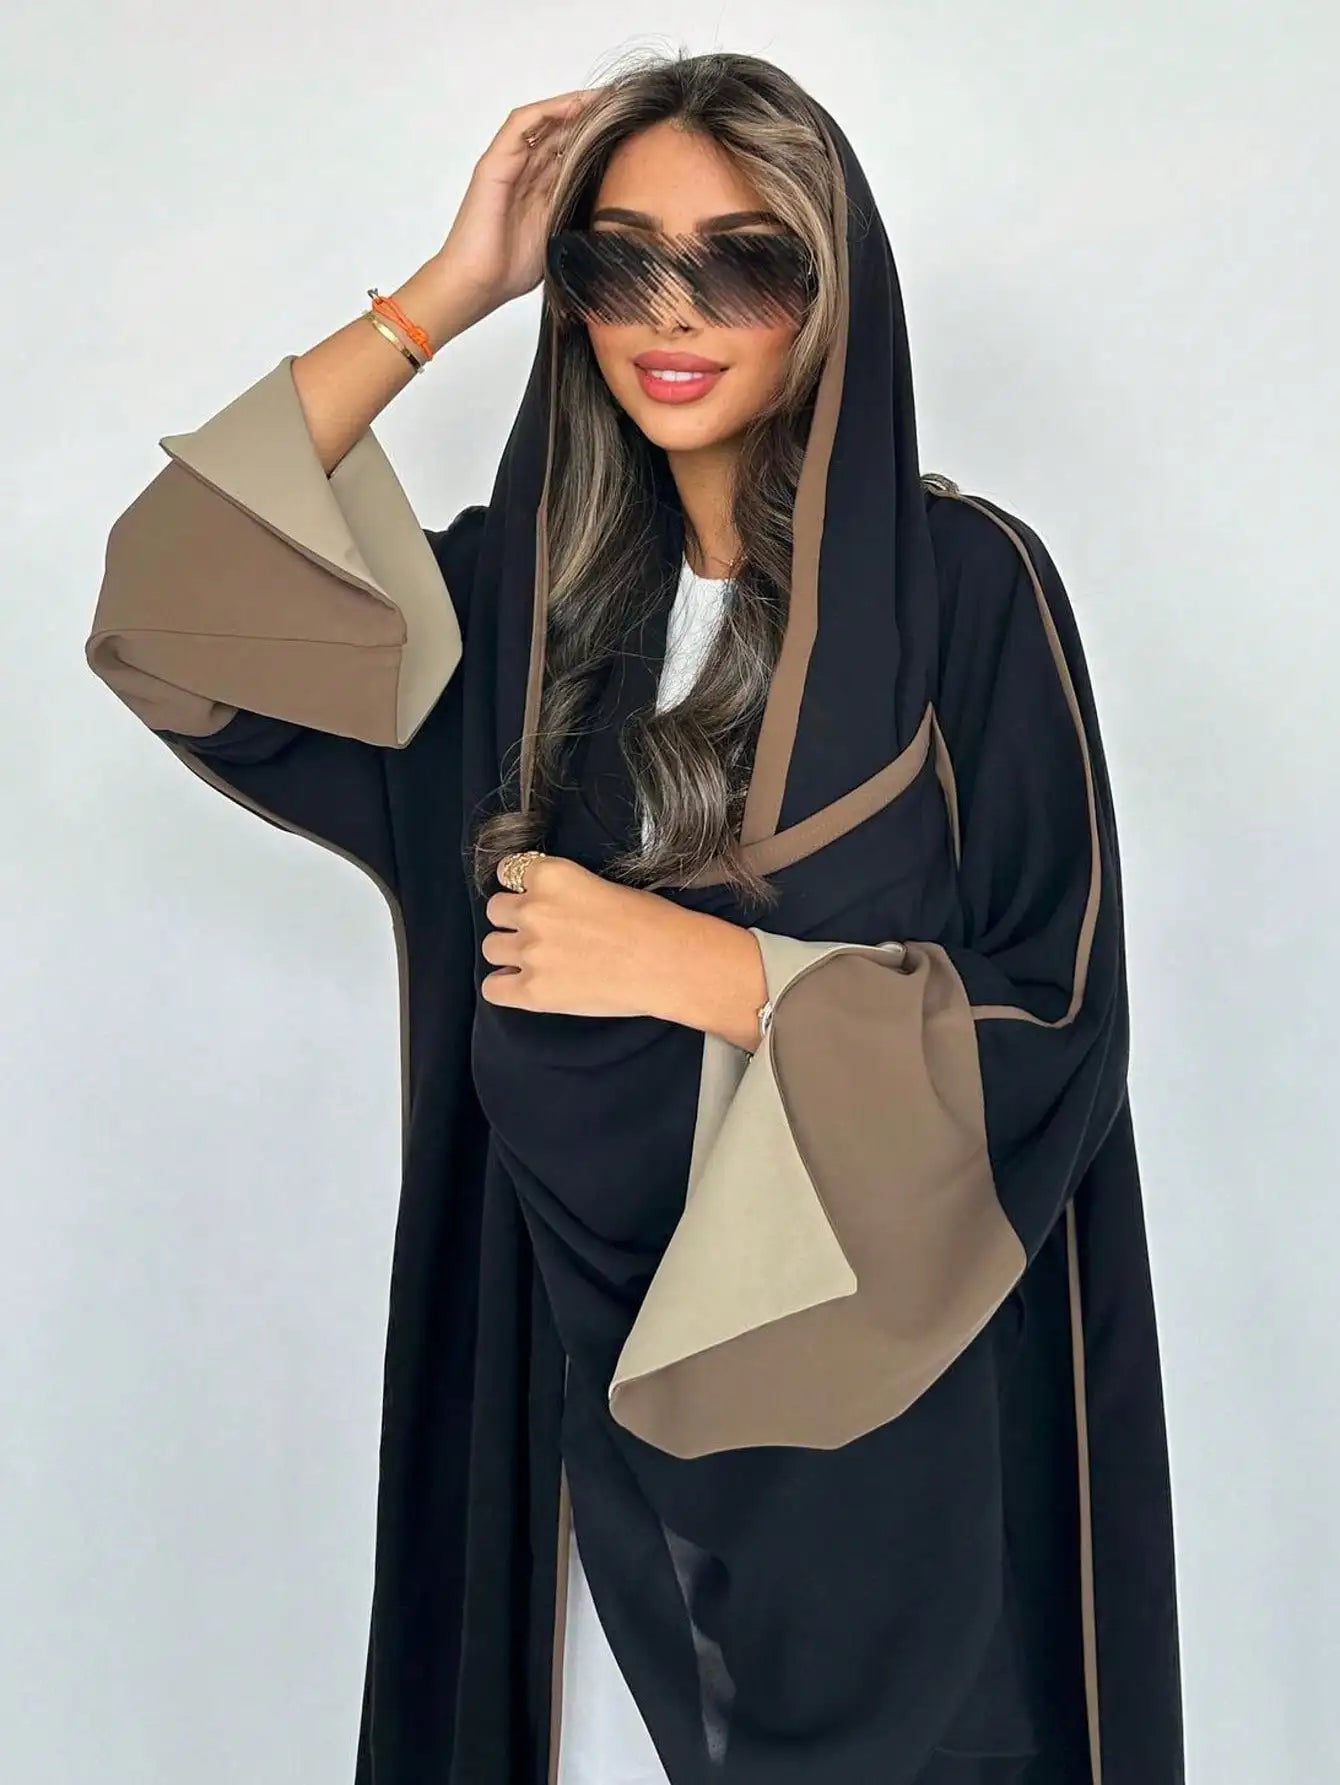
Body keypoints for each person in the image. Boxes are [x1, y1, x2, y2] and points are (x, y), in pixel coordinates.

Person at [83, 48, 1183, 1785]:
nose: (672, 312)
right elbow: (168, 618)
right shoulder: (509, 623)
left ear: (832, 289)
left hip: (870, 1467)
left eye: (741, 261)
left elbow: (1058, 1024)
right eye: (619, 259)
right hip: (562, 1437)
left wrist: (720, 973)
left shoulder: (966, 593)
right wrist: (446, 291)